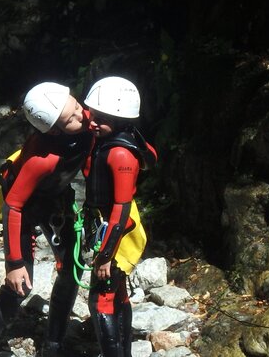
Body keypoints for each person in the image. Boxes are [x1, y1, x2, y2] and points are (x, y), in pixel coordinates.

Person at [0, 82, 92, 357]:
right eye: (70, 119)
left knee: (74, 269)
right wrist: (13, 264)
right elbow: (13, 206)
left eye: (76, 107)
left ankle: (54, 342)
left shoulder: (87, 127)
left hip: (54, 199)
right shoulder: (43, 158)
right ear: (55, 131)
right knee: (19, 287)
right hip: (24, 207)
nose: (80, 116)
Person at [82, 76, 157, 356]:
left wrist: (105, 255)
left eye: (102, 118)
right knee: (118, 293)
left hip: (118, 231)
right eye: (94, 114)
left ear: (121, 120)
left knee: (100, 300)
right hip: (109, 225)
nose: (94, 122)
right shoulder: (105, 138)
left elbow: (122, 210)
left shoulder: (121, 154)